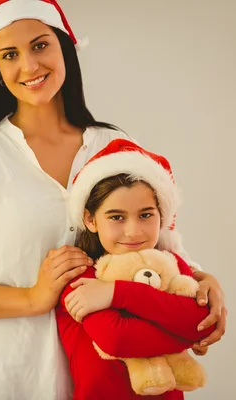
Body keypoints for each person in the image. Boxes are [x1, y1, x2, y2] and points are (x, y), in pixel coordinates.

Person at [0, 1, 226, 398]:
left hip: (111, 383)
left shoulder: (116, 149)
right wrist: (34, 297)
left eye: (40, 46)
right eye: (10, 55)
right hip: (7, 378)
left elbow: (155, 246)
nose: (29, 65)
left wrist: (202, 282)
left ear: (64, 47)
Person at [56, 138, 217, 399]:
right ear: (90, 219)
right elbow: (117, 340)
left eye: (145, 215)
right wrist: (183, 332)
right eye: (117, 217)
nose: (133, 231)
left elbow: (202, 323)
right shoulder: (81, 274)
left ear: (161, 215)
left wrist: (116, 293)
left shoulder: (172, 265)